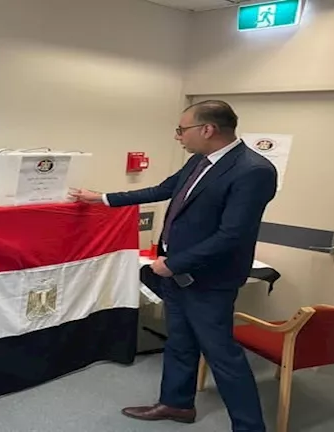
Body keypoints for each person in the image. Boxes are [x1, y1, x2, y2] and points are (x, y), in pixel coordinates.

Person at [70, 100, 277, 432]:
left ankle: (250, 427)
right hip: (176, 274)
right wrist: (104, 199)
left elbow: (232, 235)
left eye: (182, 129)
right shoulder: (200, 160)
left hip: (209, 281)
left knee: (223, 356)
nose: (178, 136)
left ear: (207, 129)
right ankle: (177, 404)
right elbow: (164, 190)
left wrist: (175, 262)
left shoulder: (253, 170)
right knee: (179, 343)